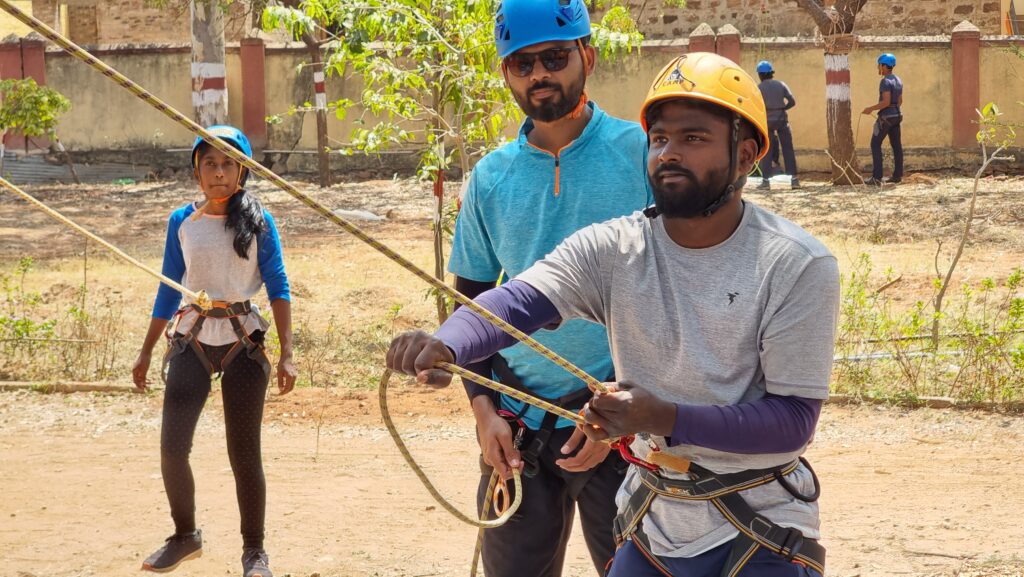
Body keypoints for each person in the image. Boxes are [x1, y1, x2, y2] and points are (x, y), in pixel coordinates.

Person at [387, 52, 839, 577]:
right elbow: (515, 302)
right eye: (660, 139)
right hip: (653, 522)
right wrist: (448, 343)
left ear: (745, 155)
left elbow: (791, 424)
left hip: (758, 532)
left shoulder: (795, 263)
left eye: (693, 139)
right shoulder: (614, 248)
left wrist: (661, 418)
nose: (669, 153)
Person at [448, 0, 653, 574]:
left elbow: (677, 290)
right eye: (521, 63)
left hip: (624, 428)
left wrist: (621, 403)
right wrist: (484, 411)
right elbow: (471, 304)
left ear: (586, 56)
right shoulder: (491, 178)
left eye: (555, 57)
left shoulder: (641, 154)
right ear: (505, 74)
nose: (539, 74)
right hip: (519, 430)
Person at [131, 125, 296, 577]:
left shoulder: (259, 221)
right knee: (171, 448)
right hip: (193, 339)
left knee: (244, 454)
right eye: (210, 164)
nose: (219, 172)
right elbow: (167, 291)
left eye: (228, 164)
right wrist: (146, 350)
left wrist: (286, 353)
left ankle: (254, 552)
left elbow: (279, 286)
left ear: (243, 170)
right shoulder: (181, 222)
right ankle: (185, 536)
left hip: (245, 344)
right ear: (196, 172)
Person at [755, 60, 799, 188]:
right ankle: (794, 180)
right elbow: (792, 101)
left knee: (766, 149)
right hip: (782, 120)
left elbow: (756, 105)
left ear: (760, 75)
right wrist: (783, 109)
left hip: (767, 121)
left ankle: (766, 182)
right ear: (771, 73)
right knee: (788, 149)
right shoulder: (781, 84)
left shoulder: (759, 88)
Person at [863, 53, 904, 185]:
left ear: (884, 66)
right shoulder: (898, 80)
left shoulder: (885, 81)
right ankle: (897, 175)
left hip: (886, 117)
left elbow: (886, 102)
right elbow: (900, 101)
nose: (878, 68)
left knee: (875, 144)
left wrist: (871, 108)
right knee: (896, 146)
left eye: (879, 65)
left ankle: (876, 178)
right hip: (897, 116)